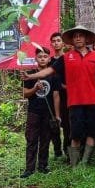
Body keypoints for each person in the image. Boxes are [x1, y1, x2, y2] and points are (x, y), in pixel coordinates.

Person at [23, 26, 95, 167]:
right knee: (75, 134)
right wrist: (30, 75)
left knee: (92, 133)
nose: (78, 38)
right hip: (74, 102)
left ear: (86, 39)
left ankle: (84, 163)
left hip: (94, 100)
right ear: (72, 41)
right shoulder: (66, 57)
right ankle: (75, 165)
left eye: (81, 36)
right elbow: (49, 70)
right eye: (75, 36)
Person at [21, 47, 60, 177]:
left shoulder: (53, 75)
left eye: (45, 56)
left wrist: (57, 114)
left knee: (45, 139)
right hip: (34, 112)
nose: (42, 58)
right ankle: (29, 168)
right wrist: (34, 88)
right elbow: (25, 94)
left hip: (48, 113)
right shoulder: (29, 74)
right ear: (36, 58)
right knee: (31, 140)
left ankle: (43, 165)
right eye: (40, 56)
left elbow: (56, 95)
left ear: (49, 59)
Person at [49, 32, 68, 158]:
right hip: (52, 95)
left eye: (58, 40)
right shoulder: (48, 60)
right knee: (53, 122)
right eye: (54, 41)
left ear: (63, 43)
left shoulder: (68, 58)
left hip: (67, 95)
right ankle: (57, 150)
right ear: (51, 43)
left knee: (67, 123)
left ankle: (67, 150)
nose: (56, 43)